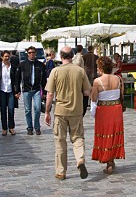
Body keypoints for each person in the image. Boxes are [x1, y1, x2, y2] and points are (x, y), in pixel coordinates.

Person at [44, 46, 91, 180]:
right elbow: (87, 92)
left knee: (60, 141)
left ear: (60, 56)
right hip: (76, 110)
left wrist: (47, 112)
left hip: (60, 111)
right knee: (77, 138)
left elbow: (50, 94)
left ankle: (61, 171)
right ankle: (80, 159)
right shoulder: (80, 71)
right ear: (72, 55)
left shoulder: (55, 71)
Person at [90, 56, 125, 174]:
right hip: (116, 109)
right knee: (114, 133)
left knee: (105, 133)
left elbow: (94, 98)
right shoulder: (118, 79)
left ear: (100, 68)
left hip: (104, 110)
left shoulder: (97, 81)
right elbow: (122, 95)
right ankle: (112, 159)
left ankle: (108, 161)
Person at [15, 46, 47, 135]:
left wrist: (44, 92)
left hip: (37, 89)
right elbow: (17, 78)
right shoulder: (22, 64)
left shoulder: (40, 65)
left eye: (33, 52)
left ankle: (37, 126)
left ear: (35, 53)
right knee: (28, 110)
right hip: (26, 89)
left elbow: (44, 79)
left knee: (37, 108)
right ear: (27, 54)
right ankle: (30, 127)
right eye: (29, 53)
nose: (31, 54)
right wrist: (17, 90)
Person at [0, 51, 18, 136]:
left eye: (8, 56)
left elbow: (16, 80)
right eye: (5, 56)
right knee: (3, 109)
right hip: (2, 90)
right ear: (2, 57)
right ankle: (4, 128)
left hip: (11, 90)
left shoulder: (13, 66)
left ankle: (11, 127)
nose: (7, 58)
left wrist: (17, 91)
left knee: (11, 109)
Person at [82, 45, 99, 116]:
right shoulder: (96, 57)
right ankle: (92, 101)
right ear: (93, 49)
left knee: (86, 88)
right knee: (93, 88)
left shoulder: (84, 56)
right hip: (94, 73)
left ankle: (88, 102)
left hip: (86, 74)